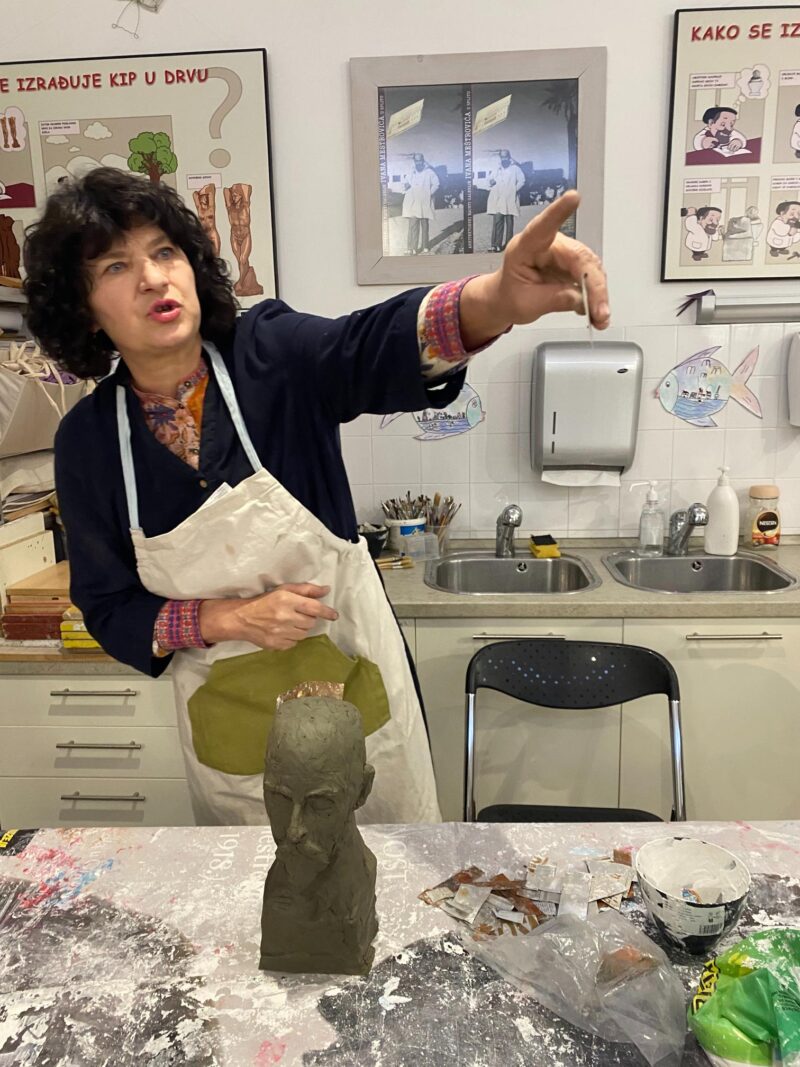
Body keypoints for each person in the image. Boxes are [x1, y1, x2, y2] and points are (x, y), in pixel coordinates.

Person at [23, 167, 609, 827]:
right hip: (233, 737)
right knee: (264, 886)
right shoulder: (90, 441)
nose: (154, 278)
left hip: (357, 694)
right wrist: (224, 619)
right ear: (83, 308)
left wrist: (496, 298)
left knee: (386, 872)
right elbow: (107, 607)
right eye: (115, 266)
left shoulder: (268, 353)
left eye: (164, 251)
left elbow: (366, 348)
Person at [260, 697, 378, 975]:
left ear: (362, 790)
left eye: (321, 805)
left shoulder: (355, 889)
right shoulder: (279, 888)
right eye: (279, 798)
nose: (293, 831)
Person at [486, 149, 526, 252]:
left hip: (510, 199)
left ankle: (509, 245)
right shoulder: (497, 169)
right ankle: (496, 245)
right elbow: (489, 179)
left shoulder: (515, 169)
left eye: (505, 157)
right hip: (499, 200)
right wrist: (491, 181)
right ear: (500, 158)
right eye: (502, 157)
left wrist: (514, 190)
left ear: (509, 157)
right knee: (497, 222)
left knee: (509, 223)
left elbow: (522, 181)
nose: (504, 159)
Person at [402, 153, 439, 254]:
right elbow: (405, 183)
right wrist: (406, 185)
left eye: (419, 161)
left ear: (423, 161)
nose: (418, 163)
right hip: (413, 203)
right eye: (416, 161)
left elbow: (436, 184)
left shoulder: (429, 172)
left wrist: (429, 193)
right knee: (413, 225)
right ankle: (412, 248)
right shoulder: (411, 172)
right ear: (414, 162)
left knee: (424, 225)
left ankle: (425, 246)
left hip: (424, 203)